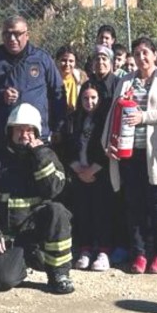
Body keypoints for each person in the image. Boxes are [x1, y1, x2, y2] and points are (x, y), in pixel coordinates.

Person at [103, 37, 157, 274]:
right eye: (137, 54)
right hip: (129, 153)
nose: (141, 58)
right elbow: (113, 113)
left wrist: (145, 117)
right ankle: (138, 253)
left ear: (155, 54)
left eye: (145, 53)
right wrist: (109, 143)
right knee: (133, 205)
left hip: (156, 154)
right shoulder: (126, 81)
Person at [0, 104, 75, 294]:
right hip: (10, 235)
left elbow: (53, 190)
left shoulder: (46, 155)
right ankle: (16, 261)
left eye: (29, 130)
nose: (24, 134)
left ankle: (59, 274)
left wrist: (40, 156)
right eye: (19, 129)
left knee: (58, 211)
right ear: (10, 131)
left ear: (36, 132)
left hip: (38, 232)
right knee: (5, 281)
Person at [0, 16, 66, 149]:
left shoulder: (41, 59)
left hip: (37, 138)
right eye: (7, 34)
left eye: (17, 34)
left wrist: (58, 128)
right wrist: (0, 95)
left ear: (27, 35)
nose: (11, 39)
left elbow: (58, 92)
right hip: (3, 140)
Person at [61, 81, 114, 272]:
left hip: (100, 173)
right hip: (78, 173)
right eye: (85, 98)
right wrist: (77, 168)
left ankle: (103, 251)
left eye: (93, 98)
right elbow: (66, 145)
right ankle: (85, 249)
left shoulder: (105, 120)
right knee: (83, 212)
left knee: (102, 212)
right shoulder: (73, 119)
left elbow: (107, 146)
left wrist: (93, 169)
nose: (89, 102)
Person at [56, 45, 88, 113]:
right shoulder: (51, 80)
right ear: (57, 61)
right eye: (64, 60)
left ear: (75, 63)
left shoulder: (82, 79)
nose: (67, 64)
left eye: (71, 61)